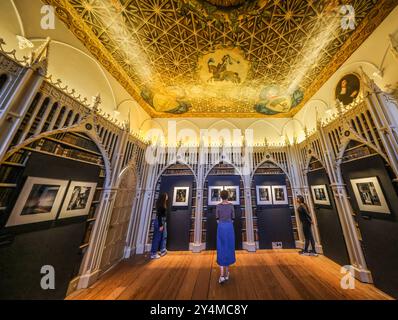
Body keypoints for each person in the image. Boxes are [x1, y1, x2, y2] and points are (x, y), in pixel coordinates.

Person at [216, 190, 236, 284]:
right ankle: (227, 273)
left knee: (221, 248)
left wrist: (222, 222)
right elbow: (233, 218)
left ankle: (221, 275)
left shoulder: (218, 206)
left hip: (221, 227)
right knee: (229, 247)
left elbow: (217, 219)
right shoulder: (231, 205)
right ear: (227, 196)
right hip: (229, 227)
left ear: (221, 196)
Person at [150, 193, 168, 259]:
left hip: (163, 222)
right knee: (157, 238)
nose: (167, 197)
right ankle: (153, 253)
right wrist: (161, 225)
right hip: (160, 222)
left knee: (164, 236)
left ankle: (163, 250)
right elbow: (159, 216)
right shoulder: (161, 206)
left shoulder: (163, 204)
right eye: (166, 196)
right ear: (164, 197)